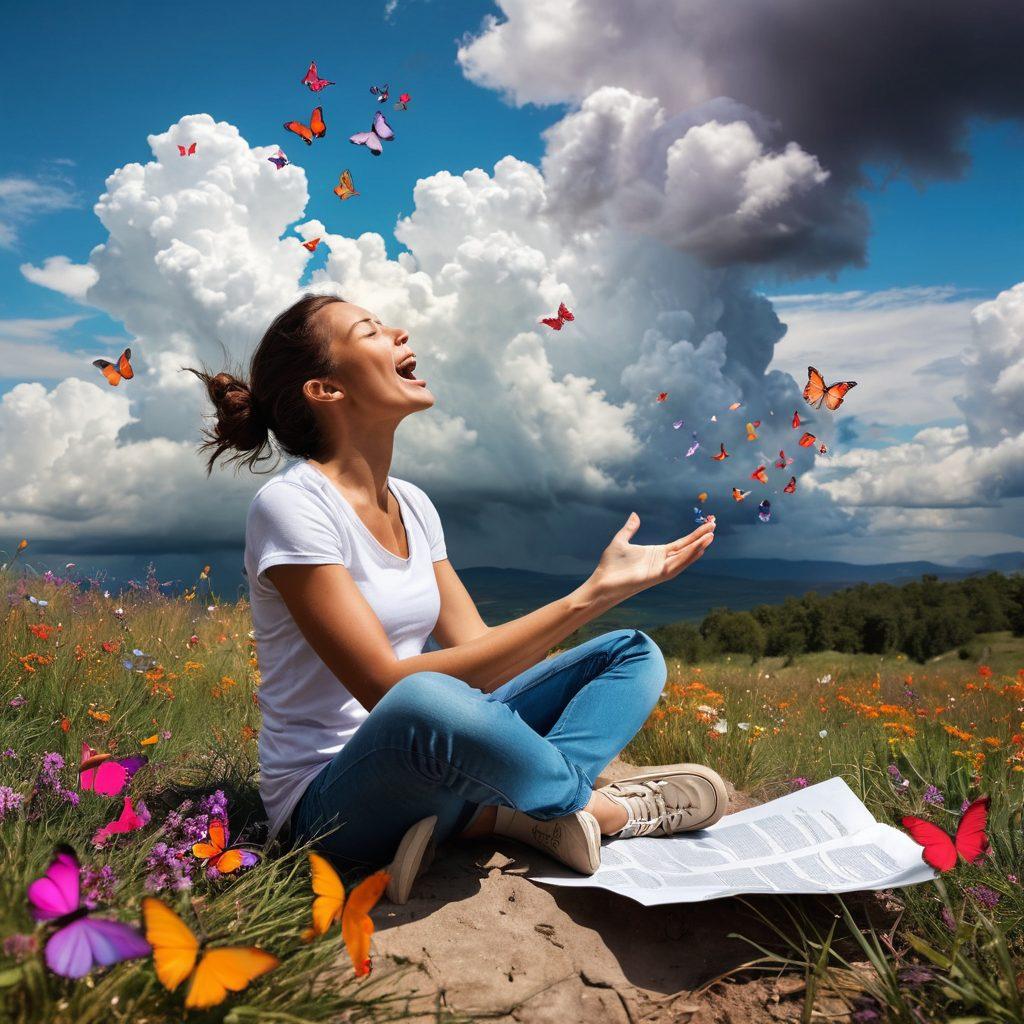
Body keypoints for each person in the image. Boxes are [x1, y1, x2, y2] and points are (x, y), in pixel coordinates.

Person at [188, 293, 726, 904]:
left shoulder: (413, 504)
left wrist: (607, 599)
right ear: (326, 390)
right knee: (424, 700)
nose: (399, 331)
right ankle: (591, 808)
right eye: (370, 330)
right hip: (333, 801)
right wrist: (583, 598)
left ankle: (521, 810)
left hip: (442, 763)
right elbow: (383, 688)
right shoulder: (292, 505)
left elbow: (483, 656)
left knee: (631, 651)